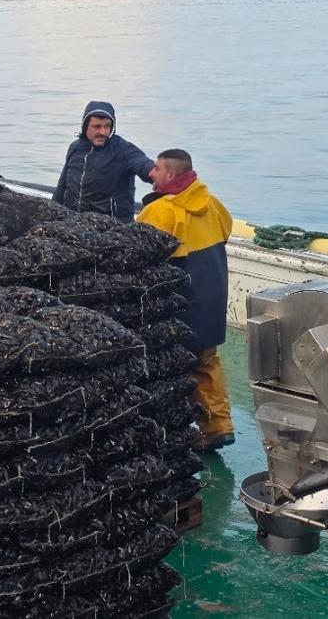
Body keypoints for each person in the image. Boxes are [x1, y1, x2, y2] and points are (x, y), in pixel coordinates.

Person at [138, 148, 235, 453]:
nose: (150, 174)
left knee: (169, 365)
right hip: (214, 298)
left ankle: (170, 431)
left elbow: (137, 254)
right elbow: (227, 231)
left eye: (155, 169)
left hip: (182, 304)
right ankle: (219, 426)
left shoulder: (161, 212)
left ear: (171, 174)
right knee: (206, 360)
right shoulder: (213, 203)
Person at [52, 101, 154, 222]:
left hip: (113, 227)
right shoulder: (75, 148)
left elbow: (142, 163)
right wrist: (52, 213)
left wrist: (155, 172)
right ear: (85, 127)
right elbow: (62, 185)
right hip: (73, 222)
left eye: (107, 126)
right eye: (97, 126)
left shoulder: (123, 150)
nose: (103, 132)